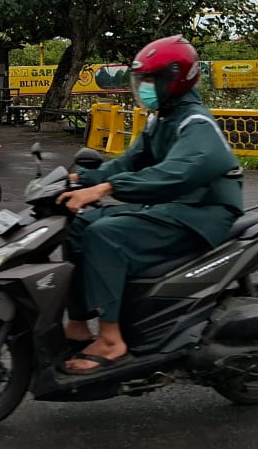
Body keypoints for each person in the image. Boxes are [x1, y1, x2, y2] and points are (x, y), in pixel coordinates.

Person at [56, 35, 244, 375]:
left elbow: (174, 174)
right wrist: (79, 179)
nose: (143, 87)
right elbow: (129, 161)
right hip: (173, 207)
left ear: (175, 79)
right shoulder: (162, 119)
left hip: (203, 213)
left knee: (105, 235)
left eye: (150, 80)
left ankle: (111, 340)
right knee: (79, 224)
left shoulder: (196, 124)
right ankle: (79, 324)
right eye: (141, 80)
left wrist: (106, 189)